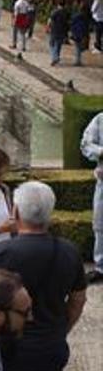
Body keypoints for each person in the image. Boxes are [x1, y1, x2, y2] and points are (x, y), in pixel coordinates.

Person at [0, 182, 87, 371]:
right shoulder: (69, 251)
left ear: (16, 211)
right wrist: (61, 328)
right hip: (51, 347)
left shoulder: (4, 252)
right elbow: (78, 300)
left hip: (10, 347)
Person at [81, 112, 103, 284]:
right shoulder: (100, 119)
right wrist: (101, 152)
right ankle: (101, 267)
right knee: (100, 224)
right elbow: (86, 144)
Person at [48, 0, 71, 66]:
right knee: (58, 45)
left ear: (58, 4)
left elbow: (50, 20)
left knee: (52, 44)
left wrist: (48, 27)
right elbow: (68, 21)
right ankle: (56, 56)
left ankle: (55, 57)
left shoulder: (55, 12)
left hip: (54, 30)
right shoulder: (66, 12)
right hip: (63, 30)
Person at [70, 0, 91, 66]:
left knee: (78, 47)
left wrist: (72, 31)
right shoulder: (87, 16)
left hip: (77, 33)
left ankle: (77, 60)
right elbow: (88, 26)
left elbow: (72, 23)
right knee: (80, 47)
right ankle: (78, 60)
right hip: (84, 33)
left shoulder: (76, 15)